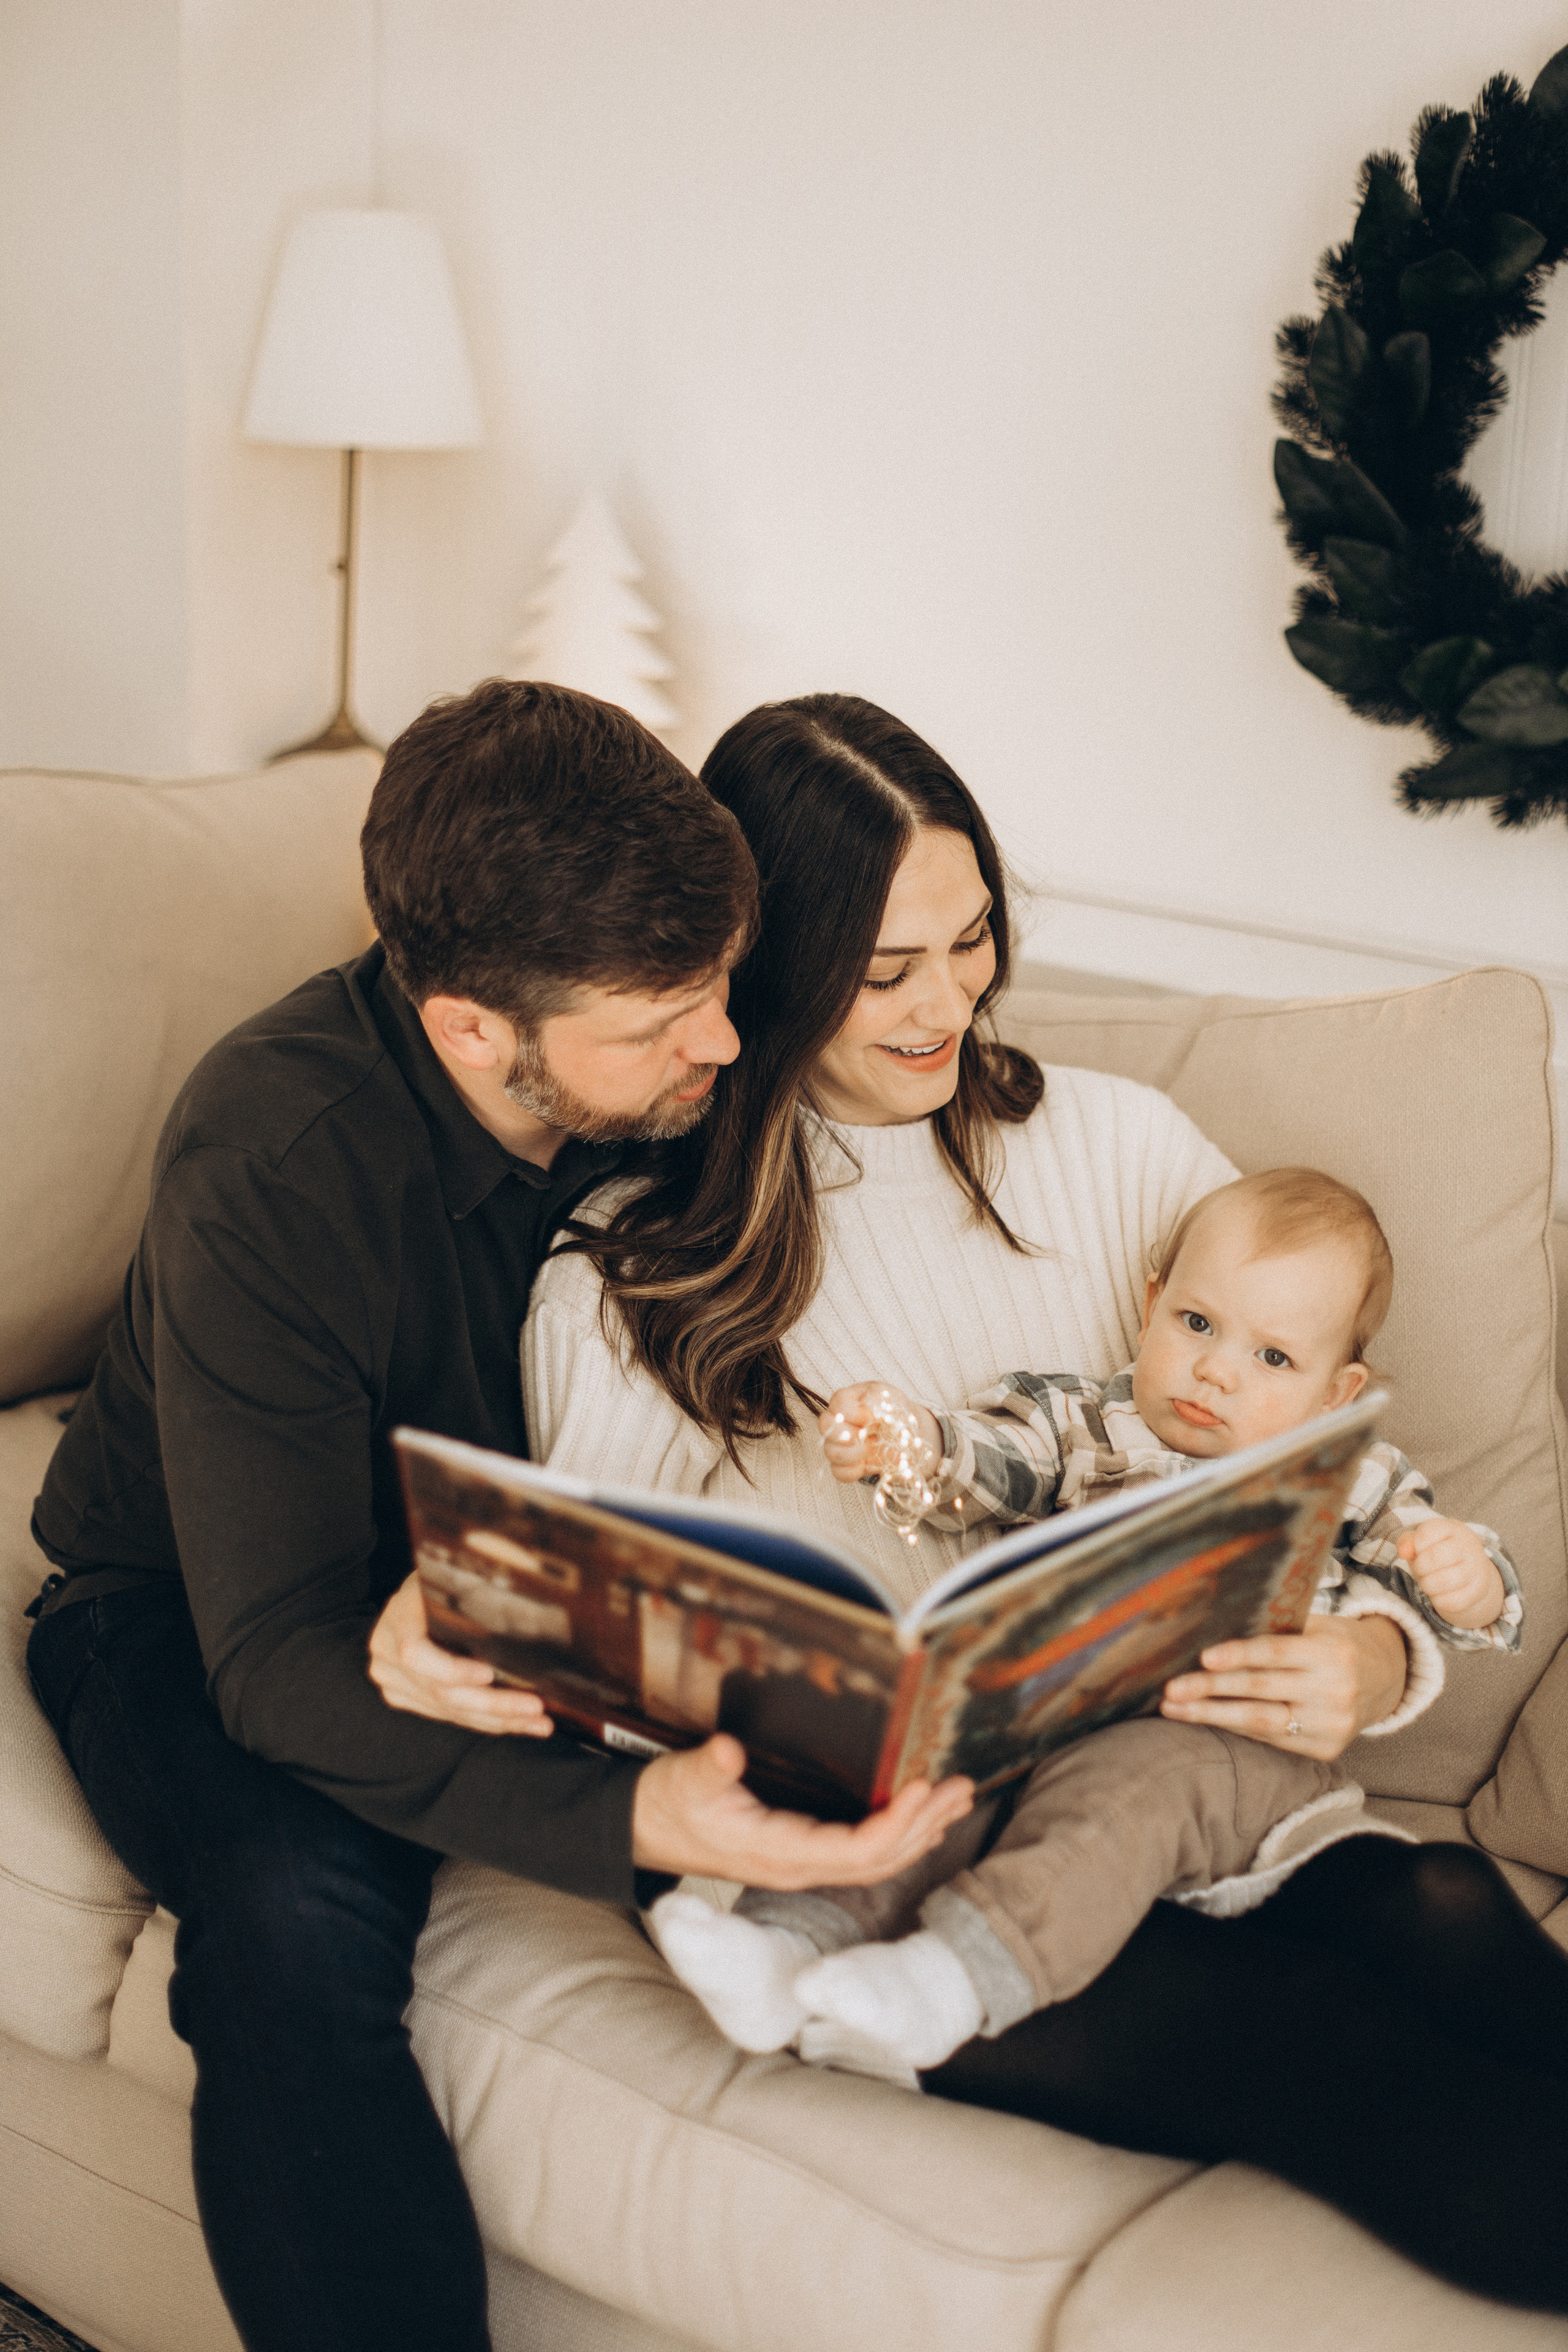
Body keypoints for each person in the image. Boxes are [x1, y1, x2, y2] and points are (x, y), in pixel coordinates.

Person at [515, 692, 1568, 2311]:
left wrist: (1367, 1659)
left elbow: (1314, 1449)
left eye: (973, 942)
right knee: (1324, 2042)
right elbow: (612, 1652)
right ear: (768, 972)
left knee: (1434, 1894)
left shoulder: (1126, 1152)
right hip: (904, 1865)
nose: (952, 1006)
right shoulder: (626, 1281)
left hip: (1179, 1787)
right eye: (887, 974)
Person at [23, 679, 970, 2352]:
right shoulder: (277, 1159)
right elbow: (275, 1667)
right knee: (287, 1931)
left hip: (543, 1592)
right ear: (474, 1026)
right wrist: (641, 1829)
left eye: (724, 990)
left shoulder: (684, 1088)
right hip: (190, 1609)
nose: (727, 1046)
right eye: (663, 1018)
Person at [649, 1166, 1524, 2080]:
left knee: (1132, 1783)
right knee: (934, 1772)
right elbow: (987, 1462)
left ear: (1337, 1393)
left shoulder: (1351, 1472)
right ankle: (782, 1946)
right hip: (1057, 1709)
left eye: (1274, 1359)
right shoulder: (1087, 1421)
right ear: (1152, 1305)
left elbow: (1461, 1581)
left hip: (1232, 1746)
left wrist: (1470, 1578)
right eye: (1196, 1324)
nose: (1217, 1371)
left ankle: (951, 1981)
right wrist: (907, 1442)